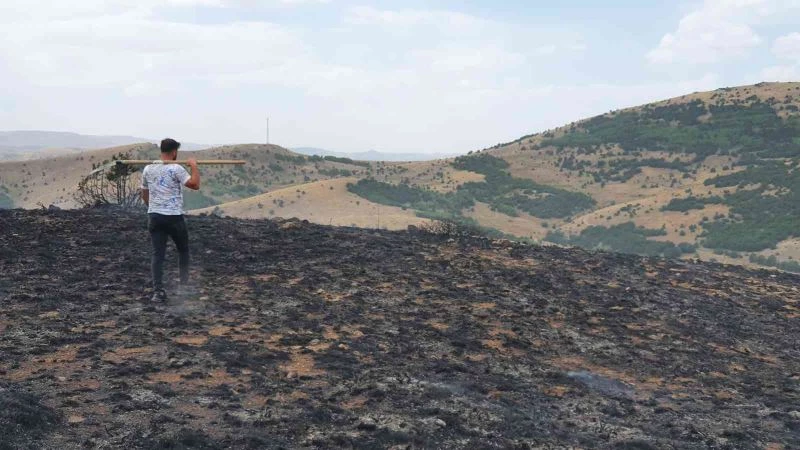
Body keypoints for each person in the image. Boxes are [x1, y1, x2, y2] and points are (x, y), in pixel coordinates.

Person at [140, 138, 201, 302]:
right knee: (183, 250)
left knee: (157, 254)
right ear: (174, 152)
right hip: (174, 217)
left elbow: (144, 194)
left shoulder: (148, 169)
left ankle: (158, 292)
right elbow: (195, 184)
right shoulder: (176, 168)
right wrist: (194, 165)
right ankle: (184, 287)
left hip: (154, 216)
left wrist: (153, 207)